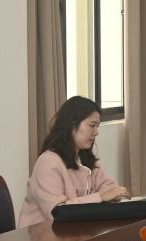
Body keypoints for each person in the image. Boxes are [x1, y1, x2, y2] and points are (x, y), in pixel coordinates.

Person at [19, 95, 130, 227]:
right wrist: (100, 197)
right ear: (72, 124)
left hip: (75, 231)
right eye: (92, 125)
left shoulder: (85, 158)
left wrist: (112, 194)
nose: (96, 132)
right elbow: (57, 213)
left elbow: (109, 187)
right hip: (42, 235)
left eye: (97, 126)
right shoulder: (47, 162)